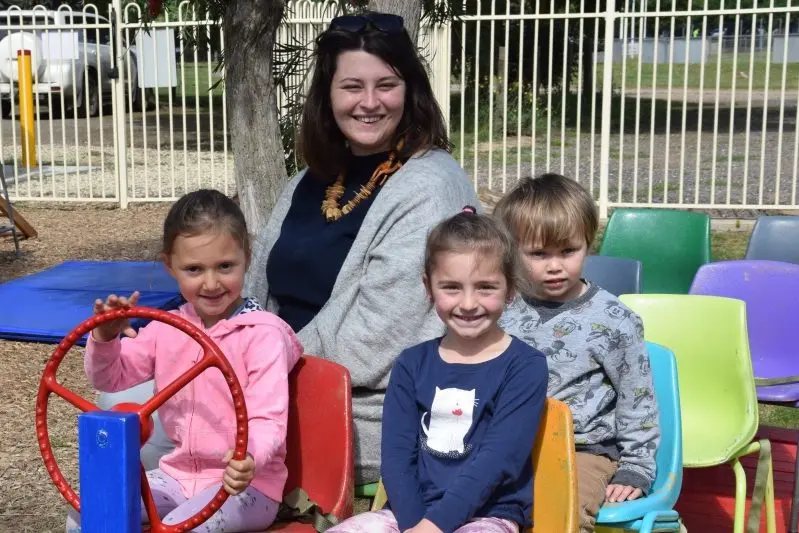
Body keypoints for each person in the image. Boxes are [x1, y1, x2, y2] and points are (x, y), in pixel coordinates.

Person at [244, 11, 479, 485]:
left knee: (174, 435)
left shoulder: (430, 187)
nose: (369, 103)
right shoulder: (307, 182)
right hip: (270, 384)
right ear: (328, 95)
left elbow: (374, 340)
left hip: (359, 408)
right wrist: (230, 350)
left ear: (410, 91)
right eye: (352, 86)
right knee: (137, 404)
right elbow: (255, 291)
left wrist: (255, 371)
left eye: (386, 85)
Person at [66, 189, 303, 533]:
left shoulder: (261, 335)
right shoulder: (168, 329)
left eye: (225, 266)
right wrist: (105, 337)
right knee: (90, 509)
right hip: (178, 476)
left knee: (179, 527)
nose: (211, 283)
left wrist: (248, 456)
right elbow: (110, 379)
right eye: (194, 269)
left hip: (245, 486)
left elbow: (268, 418)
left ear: (247, 258)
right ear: (170, 266)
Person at [326, 207, 547, 533]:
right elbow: (397, 460)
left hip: (488, 516)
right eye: (451, 287)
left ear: (510, 289)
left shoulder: (525, 366)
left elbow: (498, 461)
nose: (468, 303)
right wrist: (417, 524)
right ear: (428, 287)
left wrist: (434, 526)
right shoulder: (410, 364)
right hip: (408, 515)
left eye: (486, 287)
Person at [494, 174, 660, 533]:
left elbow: (638, 397)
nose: (555, 265)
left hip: (584, 452)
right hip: (509, 446)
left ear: (588, 243)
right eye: (538, 254)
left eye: (568, 251)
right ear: (512, 251)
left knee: (560, 516)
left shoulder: (615, 320)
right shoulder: (501, 308)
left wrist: (637, 466)